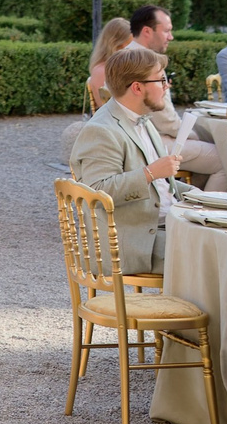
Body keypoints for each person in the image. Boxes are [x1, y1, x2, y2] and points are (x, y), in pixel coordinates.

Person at [68, 46, 184, 277]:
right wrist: (150, 173)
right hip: (136, 241)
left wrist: (201, 197)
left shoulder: (144, 119)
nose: (166, 85)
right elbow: (97, 192)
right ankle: (194, 312)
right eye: (161, 79)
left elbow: (162, 187)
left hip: (166, 225)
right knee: (218, 258)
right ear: (137, 87)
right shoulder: (102, 130)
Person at [84, 18, 135, 104]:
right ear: (115, 44)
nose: (133, 50)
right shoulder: (101, 71)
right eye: (130, 45)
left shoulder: (118, 67)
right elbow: (107, 107)